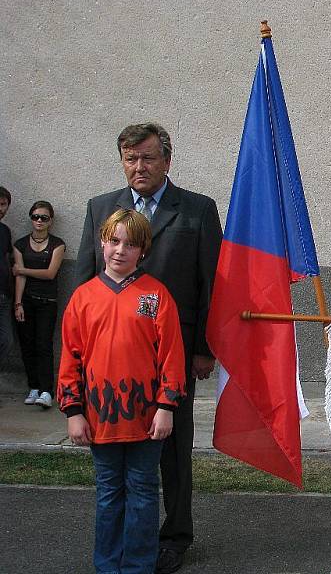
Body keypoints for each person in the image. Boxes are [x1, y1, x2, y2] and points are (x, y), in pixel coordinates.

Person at [76, 122, 222, 574]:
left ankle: (175, 535)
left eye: (148, 157)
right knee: (118, 461)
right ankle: (123, 541)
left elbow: (210, 284)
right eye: (130, 158)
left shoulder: (197, 210)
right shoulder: (102, 208)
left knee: (172, 450)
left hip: (171, 359)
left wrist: (203, 349)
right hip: (113, 361)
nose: (139, 166)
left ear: (167, 160)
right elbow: (83, 285)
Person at [59, 209, 186, 574]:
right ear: (102, 242)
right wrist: (73, 411)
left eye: (130, 244)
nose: (120, 250)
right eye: (114, 241)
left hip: (147, 419)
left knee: (144, 493)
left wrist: (166, 407)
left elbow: (172, 357)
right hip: (100, 419)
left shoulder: (156, 296)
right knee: (109, 494)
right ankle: (107, 566)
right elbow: (70, 359)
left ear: (143, 250)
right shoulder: (83, 298)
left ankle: (137, 566)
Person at [13, 200, 65, 408]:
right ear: (31, 218)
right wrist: (18, 303)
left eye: (44, 217)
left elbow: (50, 273)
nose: (39, 221)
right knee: (27, 345)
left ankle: (46, 390)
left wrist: (23, 269)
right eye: (35, 217)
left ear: (50, 220)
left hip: (47, 302)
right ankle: (33, 386)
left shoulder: (57, 244)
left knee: (44, 344)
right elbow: (19, 278)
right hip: (27, 301)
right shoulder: (20, 244)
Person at [0, 187, 13, 366]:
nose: (0, 208)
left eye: (3, 204)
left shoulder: (4, 231)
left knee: (7, 341)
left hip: (3, 296)